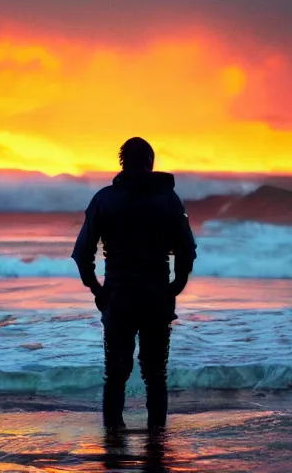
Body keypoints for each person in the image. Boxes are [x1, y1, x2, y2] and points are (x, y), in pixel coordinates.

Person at [71, 137, 197, 432]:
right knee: (156, 376)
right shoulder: (168, 200)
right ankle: (156, 442)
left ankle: (113, 439)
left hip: (118, 297)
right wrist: (174, 287)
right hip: (156, 297)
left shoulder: (104, 199)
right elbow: (186, 250)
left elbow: (82, 253)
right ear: (150, 163)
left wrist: (97, 289)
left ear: (122, 163)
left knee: (115, 375)